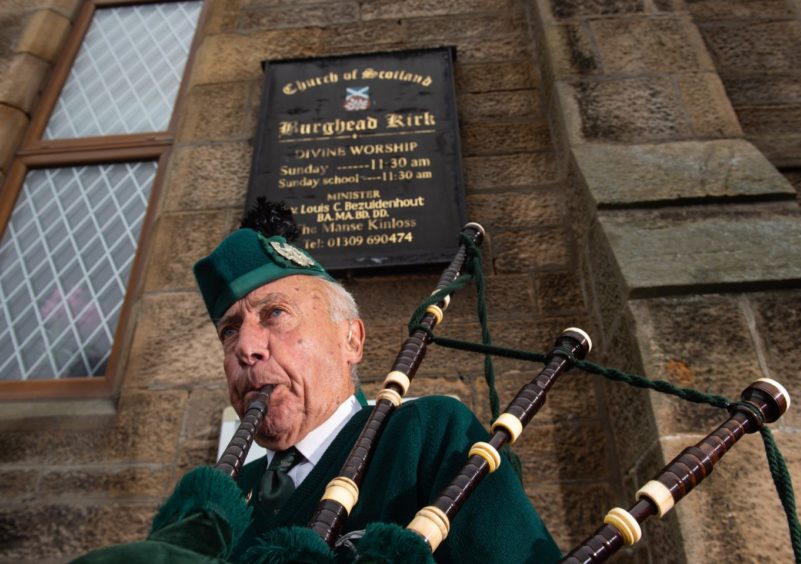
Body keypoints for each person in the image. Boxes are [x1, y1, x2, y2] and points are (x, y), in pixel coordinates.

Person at [77, 201, 562, 563]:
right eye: (230, 331)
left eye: (275, 314)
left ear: (351, 340)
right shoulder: (227, 497)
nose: (247, 348)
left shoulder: (429, 434)